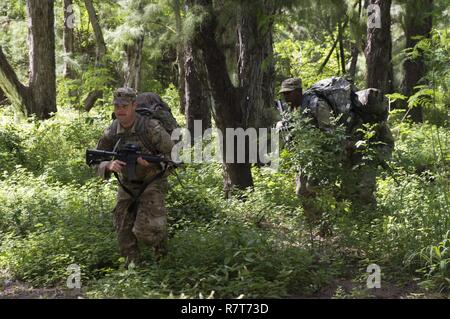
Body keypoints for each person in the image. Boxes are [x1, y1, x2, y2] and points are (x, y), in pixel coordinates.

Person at [278, 77, 394, 223]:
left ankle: (369, 226)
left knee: (358, 192)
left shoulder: (316, 104)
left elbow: (331, 135)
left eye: (288, 93)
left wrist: (339, 155)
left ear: (298, 92)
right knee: (304, 191)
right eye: (284, 94)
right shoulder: (296, 108)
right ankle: (319, 226)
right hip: (324, 151)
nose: (285, 97)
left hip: (349, 148)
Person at [92, 87, 175, 265]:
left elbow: (174, 156)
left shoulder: (151, 128)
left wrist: (154, 163)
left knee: (146, 231)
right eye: (117, 106)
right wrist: (108, 165)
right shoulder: (112, 131)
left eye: (124, 106)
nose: (120, 110)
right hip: (127, 183)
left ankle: (162, 262)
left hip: (152, 181)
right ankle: (133, 271)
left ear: (134, 105)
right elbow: (96, 159)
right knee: (123, 231)